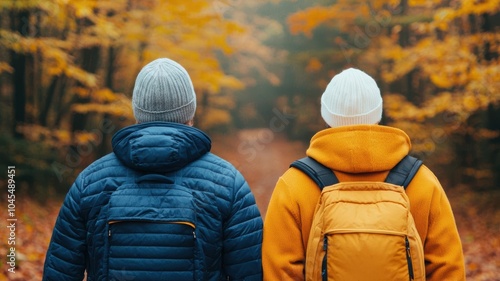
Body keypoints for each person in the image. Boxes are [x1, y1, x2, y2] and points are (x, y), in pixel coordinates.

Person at [43, 58, 263, 281]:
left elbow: (60, 272)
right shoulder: (228, 183)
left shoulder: (90, 182)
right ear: (190, 112)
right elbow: (250, 273)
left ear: (137, 112)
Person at [262, 68, 465, 280]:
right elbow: (448, 268)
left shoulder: (294, 184)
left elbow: (279, 271)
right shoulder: (422, 181)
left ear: (326, 115)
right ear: (378, 113)